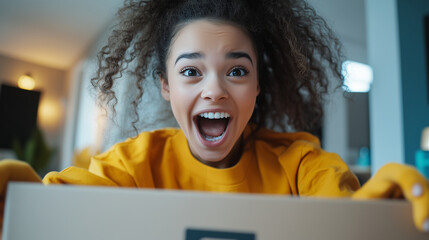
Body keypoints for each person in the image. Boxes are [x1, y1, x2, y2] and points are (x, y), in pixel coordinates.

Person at [1, 0, 428, 234]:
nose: (215, 89)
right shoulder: (134, 163)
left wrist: (376, 221)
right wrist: (26, 198)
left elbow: (342, 210)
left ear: (258, 85)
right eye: (190, 71)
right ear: (167, 86)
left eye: (237, 71)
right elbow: (66, 202)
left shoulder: (301, 163)